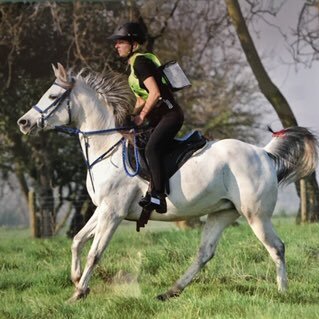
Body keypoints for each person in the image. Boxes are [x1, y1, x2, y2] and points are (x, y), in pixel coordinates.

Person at [108, 22, 184, 214]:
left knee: (151, 149)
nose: (116, 46)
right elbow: (142, 96)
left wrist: (141, 116)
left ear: (133, 44)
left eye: (121, 42)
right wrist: (131, 116)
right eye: (116, 43)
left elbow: (155, 93)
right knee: (140, 143)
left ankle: (158, 196)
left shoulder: (141, 62)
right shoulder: (134, 65)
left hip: (170, 115)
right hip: (160, 118)